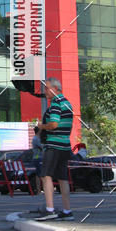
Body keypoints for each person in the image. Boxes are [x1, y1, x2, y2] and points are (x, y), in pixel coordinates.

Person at [36, 78, 74, 221]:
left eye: (46, 88)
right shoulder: (67, 102)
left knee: (46, 176)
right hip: (65, 145)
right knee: (63, 178)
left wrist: (41, 126)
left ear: (55, 89)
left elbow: (53, 124)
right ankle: (67, 210)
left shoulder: (56, 103)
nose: (44, 91)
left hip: (54, 145)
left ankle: (50, 209)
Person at [31, 125, 43, 194]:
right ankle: (38, 189)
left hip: (39, 158)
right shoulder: (36, 139)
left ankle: (39, 189)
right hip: (38, 158)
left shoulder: (37, 138)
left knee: (39, 174)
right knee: (39, 174)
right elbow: (42, 147)